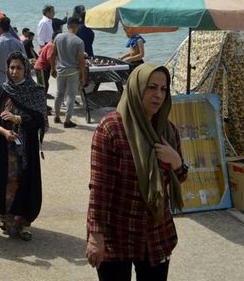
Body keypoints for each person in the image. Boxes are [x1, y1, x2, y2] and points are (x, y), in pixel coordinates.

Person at [86, 64, 188, 281]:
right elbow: (100, 188)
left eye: (163, 89)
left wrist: (176, 161)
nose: (158, 95)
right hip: (118, 232)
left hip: (156, 234)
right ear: (136, 88)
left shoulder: (167, 131)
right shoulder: (112, 128)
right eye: (151, 87)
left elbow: (180, 178)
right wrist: (95, 235)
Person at [0, 52, 48, 241]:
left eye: (19, 68)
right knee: (5, 182)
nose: (14, 72)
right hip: (4, 149)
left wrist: (18, 119)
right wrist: (3, 132)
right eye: (12, 68)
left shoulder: (35, 91)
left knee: (25, 183)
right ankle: (5, 216)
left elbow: (41, 119)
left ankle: (23, 224)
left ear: (26, 70)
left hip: (26, 148)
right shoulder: (0, 91)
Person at [50, 17, 87, 128]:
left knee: (59, 94)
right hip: (72, 72)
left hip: (60, 71)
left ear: (68, 26)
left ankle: (56, 116)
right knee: (71, 96)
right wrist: (83, 75)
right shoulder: (79, 41)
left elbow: (53, 54)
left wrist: (52, 68)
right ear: (77, 26)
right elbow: (81, 60)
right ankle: (67, 120)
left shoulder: (58, 37)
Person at [0, 16, 26, 89]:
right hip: (16, 77)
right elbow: (25, 60)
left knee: (1, 99)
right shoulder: (18, 43)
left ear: (0, 28)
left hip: (1, 77)